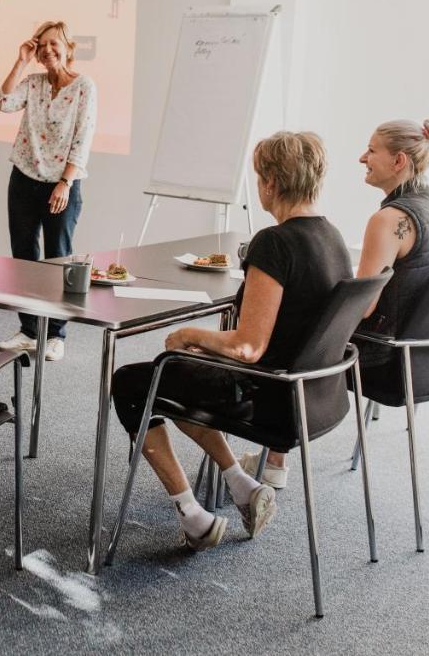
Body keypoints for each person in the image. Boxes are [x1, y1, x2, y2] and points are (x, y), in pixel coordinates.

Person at [111, 132, 351, 551]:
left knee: (134, 383)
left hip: (266, 397)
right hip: (312, 396)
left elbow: (247, 348)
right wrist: (202, 346)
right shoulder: (332, 237)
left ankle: (194, 517)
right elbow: (280, 328)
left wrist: (189, 334)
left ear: (272, 183)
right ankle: (241, 484)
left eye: (259, 176)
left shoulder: (275, 243)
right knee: (173, 375)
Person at [240, 118, 429, 491]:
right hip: (426, 354)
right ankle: (274, 459)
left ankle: (274, 448)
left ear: (399, 160)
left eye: (372, 150)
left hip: (383, 358)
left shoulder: (389, 219)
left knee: (295, 316)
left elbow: (364, 307)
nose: (362, 157)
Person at [0, 21, 97, 362]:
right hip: (23, 178)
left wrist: (65, 183)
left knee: (59, 260)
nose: (48, 50)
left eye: (55, 44)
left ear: (69, 48)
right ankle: (29, 330)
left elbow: (83, 138)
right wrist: (21, 60)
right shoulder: (34, 83)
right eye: (42, 46)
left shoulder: (84, 87)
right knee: (23, 259)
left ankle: (55, 334)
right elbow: (4, 102)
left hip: (61, 184)